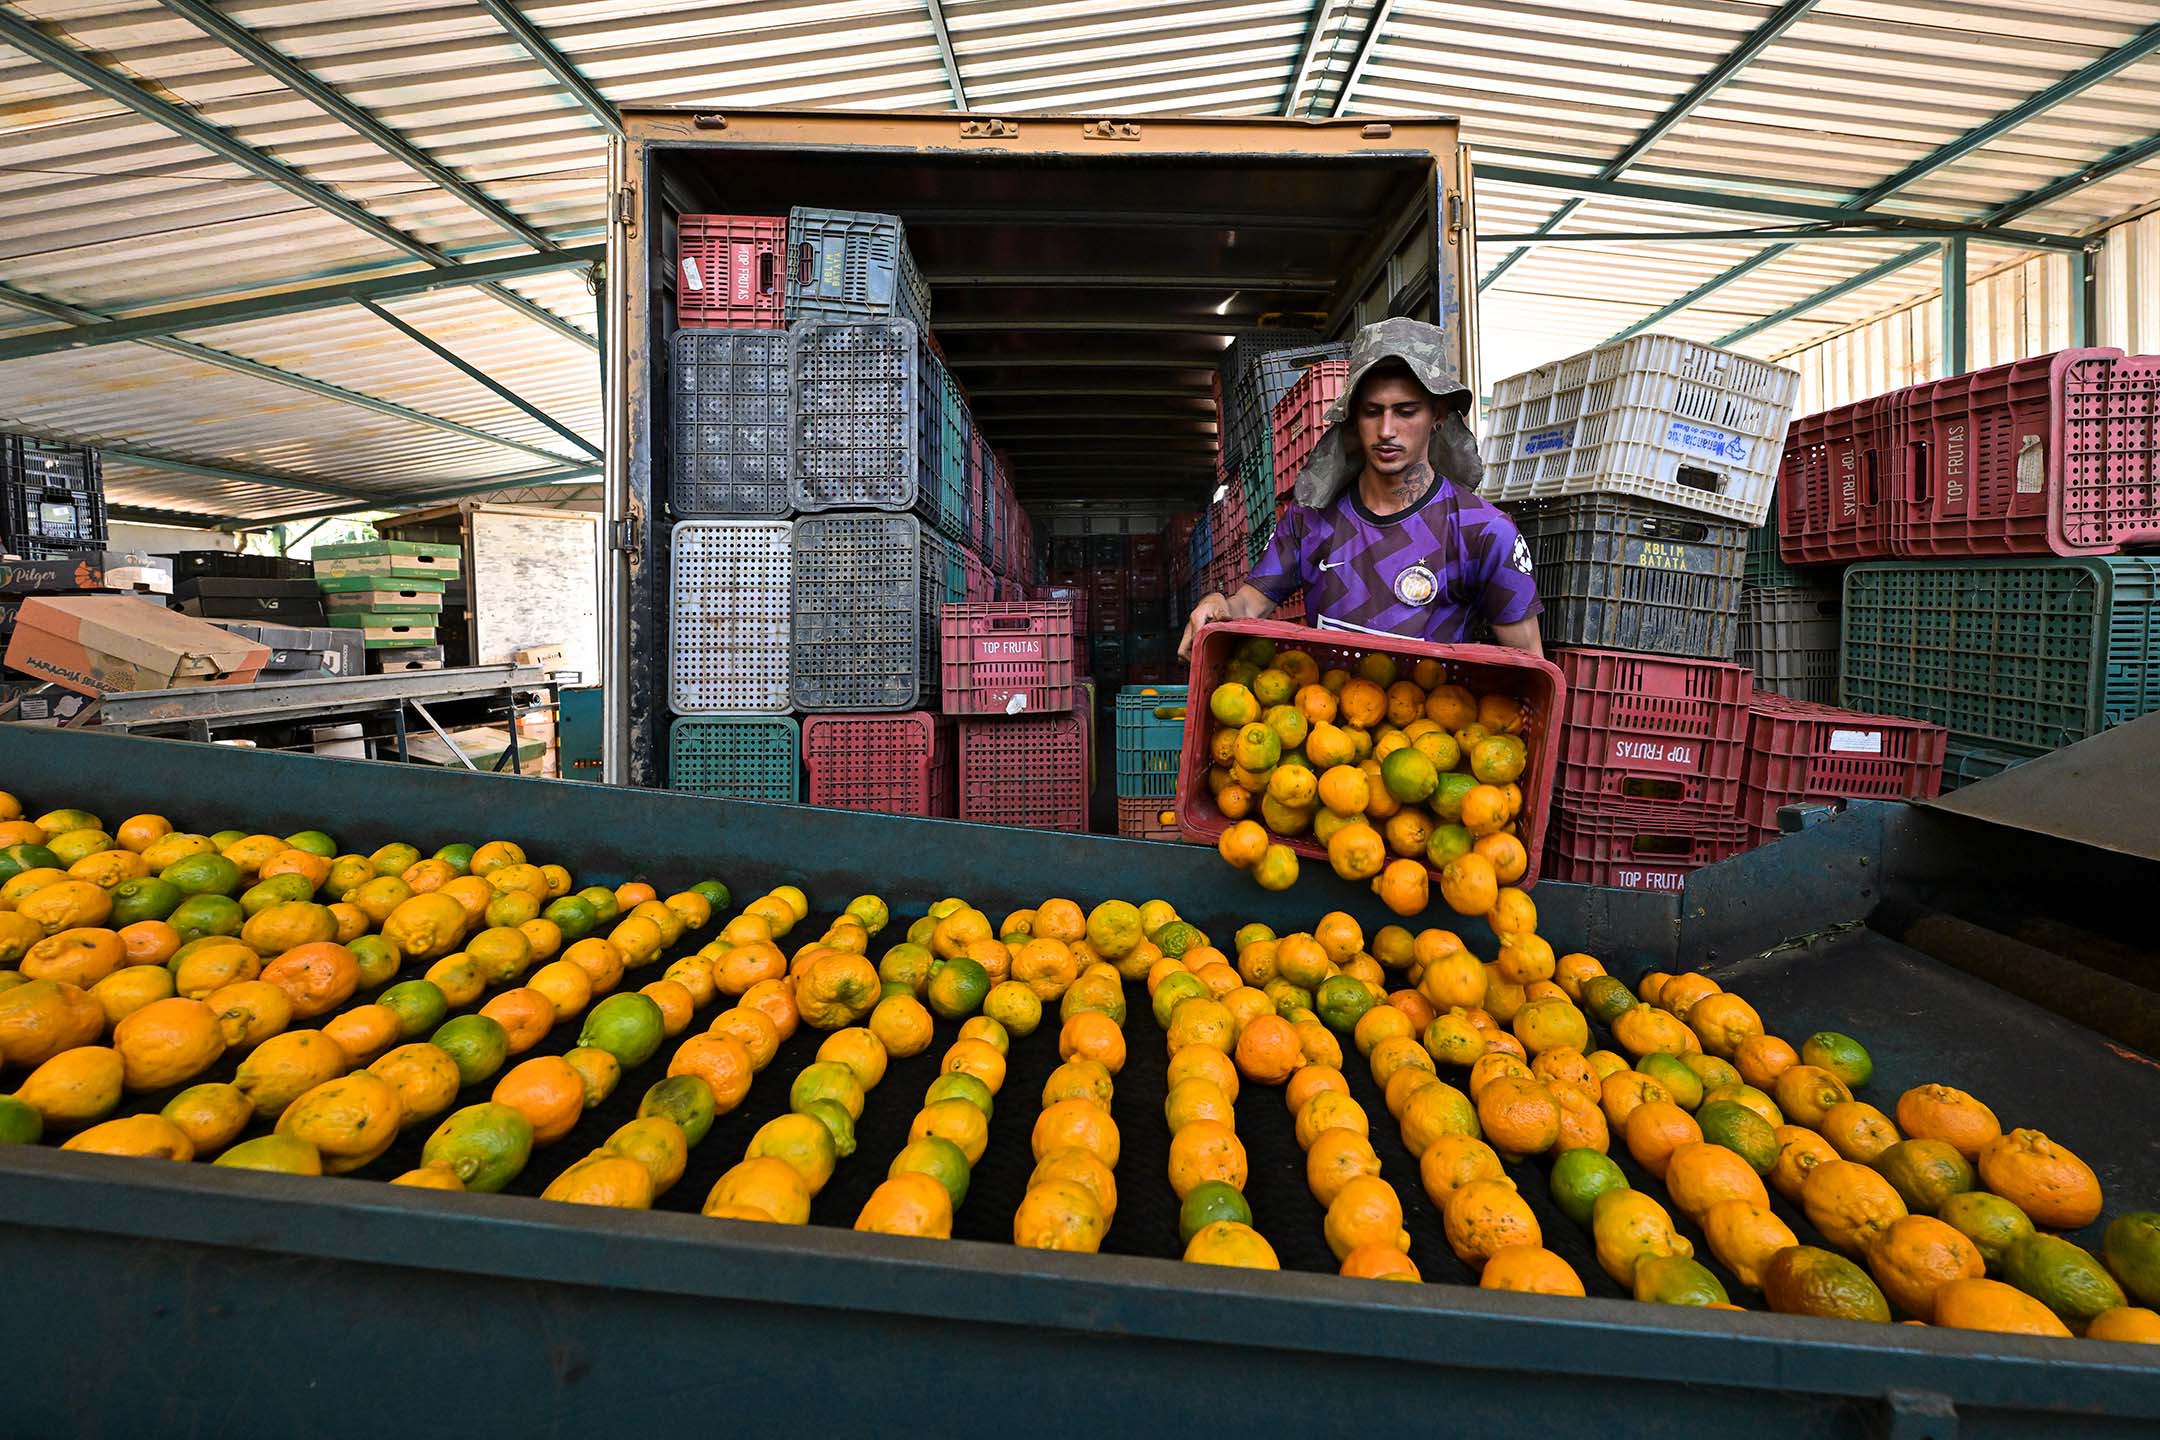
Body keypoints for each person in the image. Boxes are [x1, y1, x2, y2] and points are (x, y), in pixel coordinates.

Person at [1178, 317, 1543, 659]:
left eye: (1406, 411)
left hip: (1438, 709)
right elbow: (1248, 604)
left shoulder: (1483, 531)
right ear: (1352, 417)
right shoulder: (1311, 519)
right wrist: (1217, 604)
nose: (1386, 430)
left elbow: (1529, 665)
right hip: (1326, 709)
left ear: (1438, 415)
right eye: (1372, 411)